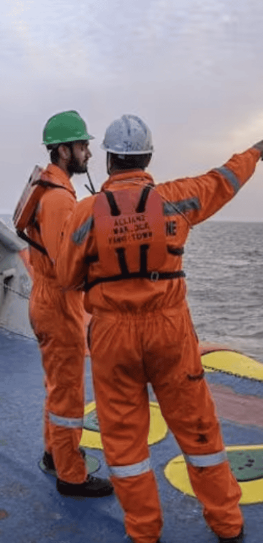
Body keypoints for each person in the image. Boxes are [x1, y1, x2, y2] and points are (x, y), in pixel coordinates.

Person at [56, 114, 263, 543]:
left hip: (112, 336)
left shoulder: (85, 213)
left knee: (124, 439)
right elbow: (222, 181)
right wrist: (254, 153)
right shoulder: (176, 199)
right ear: (148, 158)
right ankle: (227, 524)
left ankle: (143, 531)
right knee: (198, 428)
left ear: (110, 159)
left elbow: (66, 277)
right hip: (170, 331)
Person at [15, 110, 114, 498]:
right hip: (59, 304)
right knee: (69, 393)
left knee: (57, 386)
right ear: (63, 151)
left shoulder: (54, 189)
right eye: (82, 145)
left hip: (48, 298)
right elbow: (67, 266)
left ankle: (54, 452)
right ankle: (70, 474)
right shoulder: (58, 199)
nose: (88, 152)